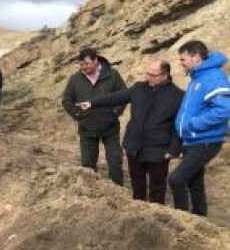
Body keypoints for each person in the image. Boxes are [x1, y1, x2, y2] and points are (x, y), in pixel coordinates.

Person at [78, 59, 184, 203]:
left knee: (157, 188)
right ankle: (138, 212)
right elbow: (117, 97)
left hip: (158, 150)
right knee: (137, 185)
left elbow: (179, 125)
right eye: (148, 74)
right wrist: (92, 103)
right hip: (134, 147)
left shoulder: (177, 96)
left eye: (153, 75)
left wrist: (173, 149)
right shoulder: (139, 88)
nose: (149, 78)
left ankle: (156, 218)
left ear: (165, 75)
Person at [168, 40, 230, 216]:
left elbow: (224, 109)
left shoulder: (213, 77)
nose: (180, 63)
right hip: (194, 140)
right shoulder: (198, 77)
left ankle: (181, 220)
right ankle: (199, 217)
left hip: (205, 140)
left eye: (183, 59)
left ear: (196, 57)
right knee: (194, 181)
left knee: (176, 179)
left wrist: (193, 124)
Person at [62, 48, 127, 185]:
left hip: (110, 126)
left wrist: (116, 112)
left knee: (115, 161)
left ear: (96, 60)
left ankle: (118, 192)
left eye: (86, 64)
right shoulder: (75, 79)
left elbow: (124, 95)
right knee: (87, 165)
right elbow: (66, 100)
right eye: (80, 64)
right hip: (87, 127)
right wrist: (78, 115)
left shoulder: (112, 75)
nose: (83, 67)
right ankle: (91, 194)